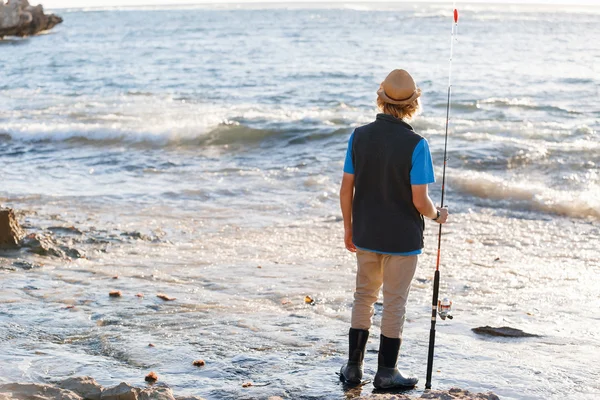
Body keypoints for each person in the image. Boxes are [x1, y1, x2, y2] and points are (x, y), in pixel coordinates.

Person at [338, 69, 449, 389]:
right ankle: (386, 372)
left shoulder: (358, 135)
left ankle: (353, 369)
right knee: (395, 301)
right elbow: (420, 201)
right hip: (402, 240)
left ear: (381, 99)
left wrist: (349, 228)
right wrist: (438, 215)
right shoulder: (417, 144)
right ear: (413, 105)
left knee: (364, 297)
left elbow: (346, 189)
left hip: (366, 234)